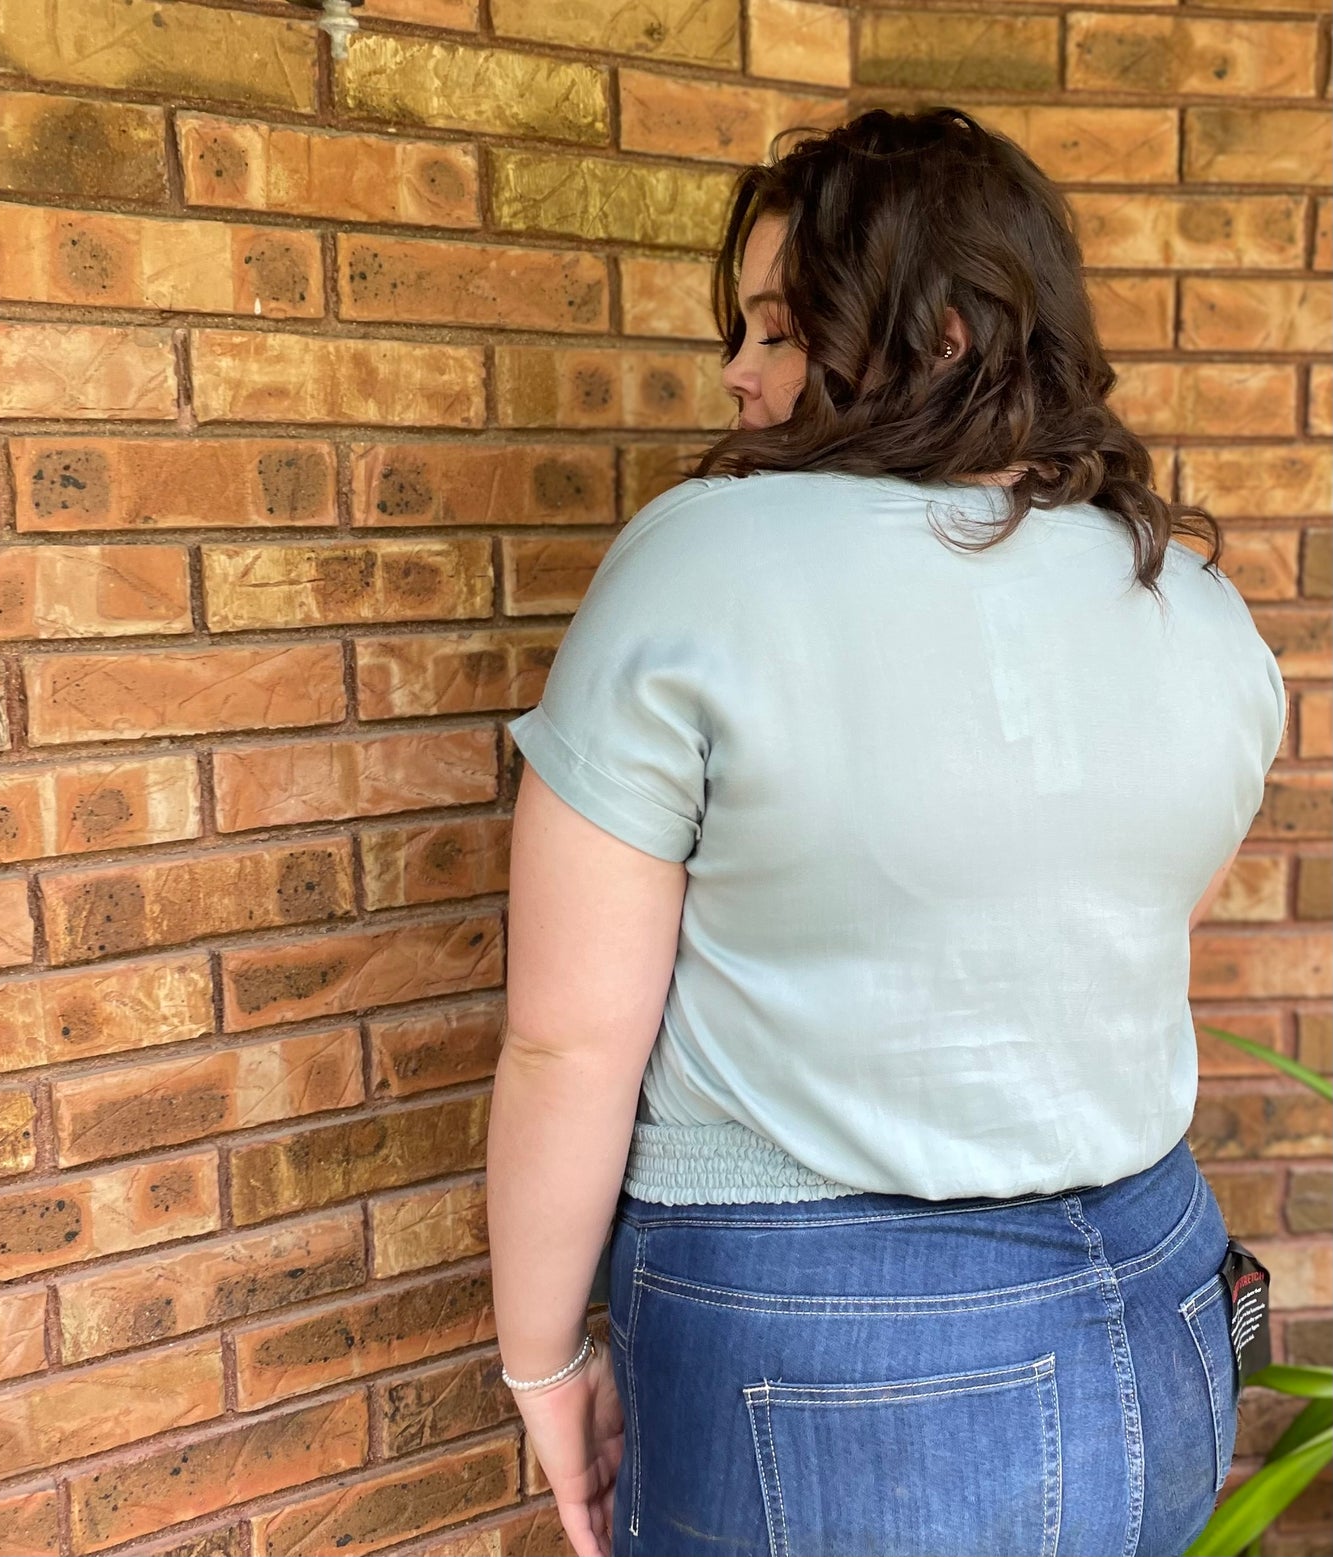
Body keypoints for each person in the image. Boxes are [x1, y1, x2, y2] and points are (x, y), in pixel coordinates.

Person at [484, 107, 1286, 1557]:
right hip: (1162, 1301)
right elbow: (1127, 939)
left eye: (783, 333)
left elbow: (566, 1041)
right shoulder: (1199, 612)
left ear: (949, 336)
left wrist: (541, 1362)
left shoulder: (700, 560)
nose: (737, 371)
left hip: (829, 1338)